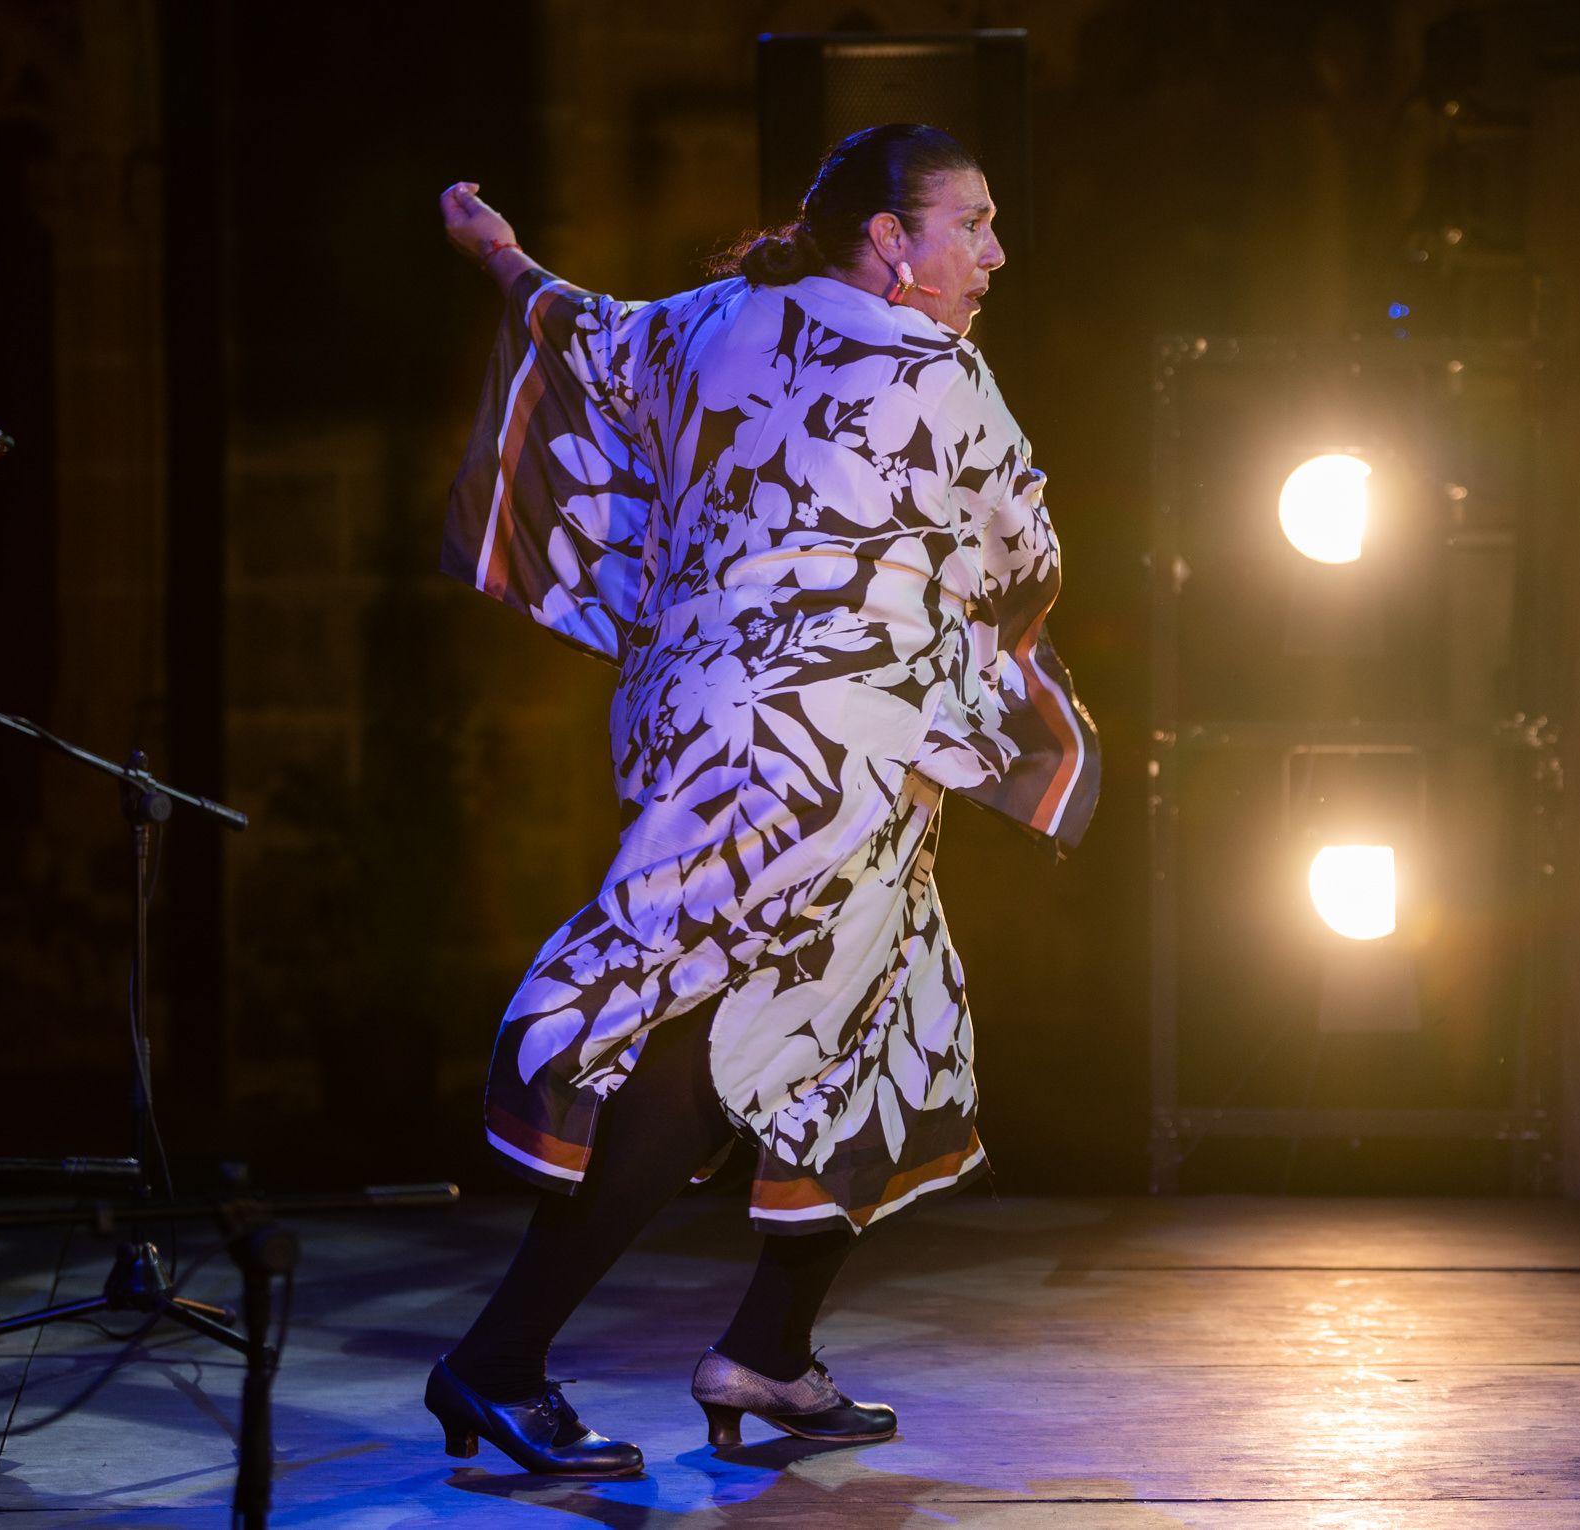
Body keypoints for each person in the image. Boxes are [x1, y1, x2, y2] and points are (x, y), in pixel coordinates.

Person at [428, 123, 1099, 1477]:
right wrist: (981, 678)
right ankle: (496, 1359)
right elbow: (1025, 553)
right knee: (725, 1046)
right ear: (891, 239)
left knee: (871, 1025)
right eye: (970, 221)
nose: (994, 251)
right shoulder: (938, 373)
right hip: (821, 756)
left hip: (714, 727)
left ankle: (769, 1352)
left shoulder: (709, 322)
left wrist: (498, 255)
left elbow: (579, 329)